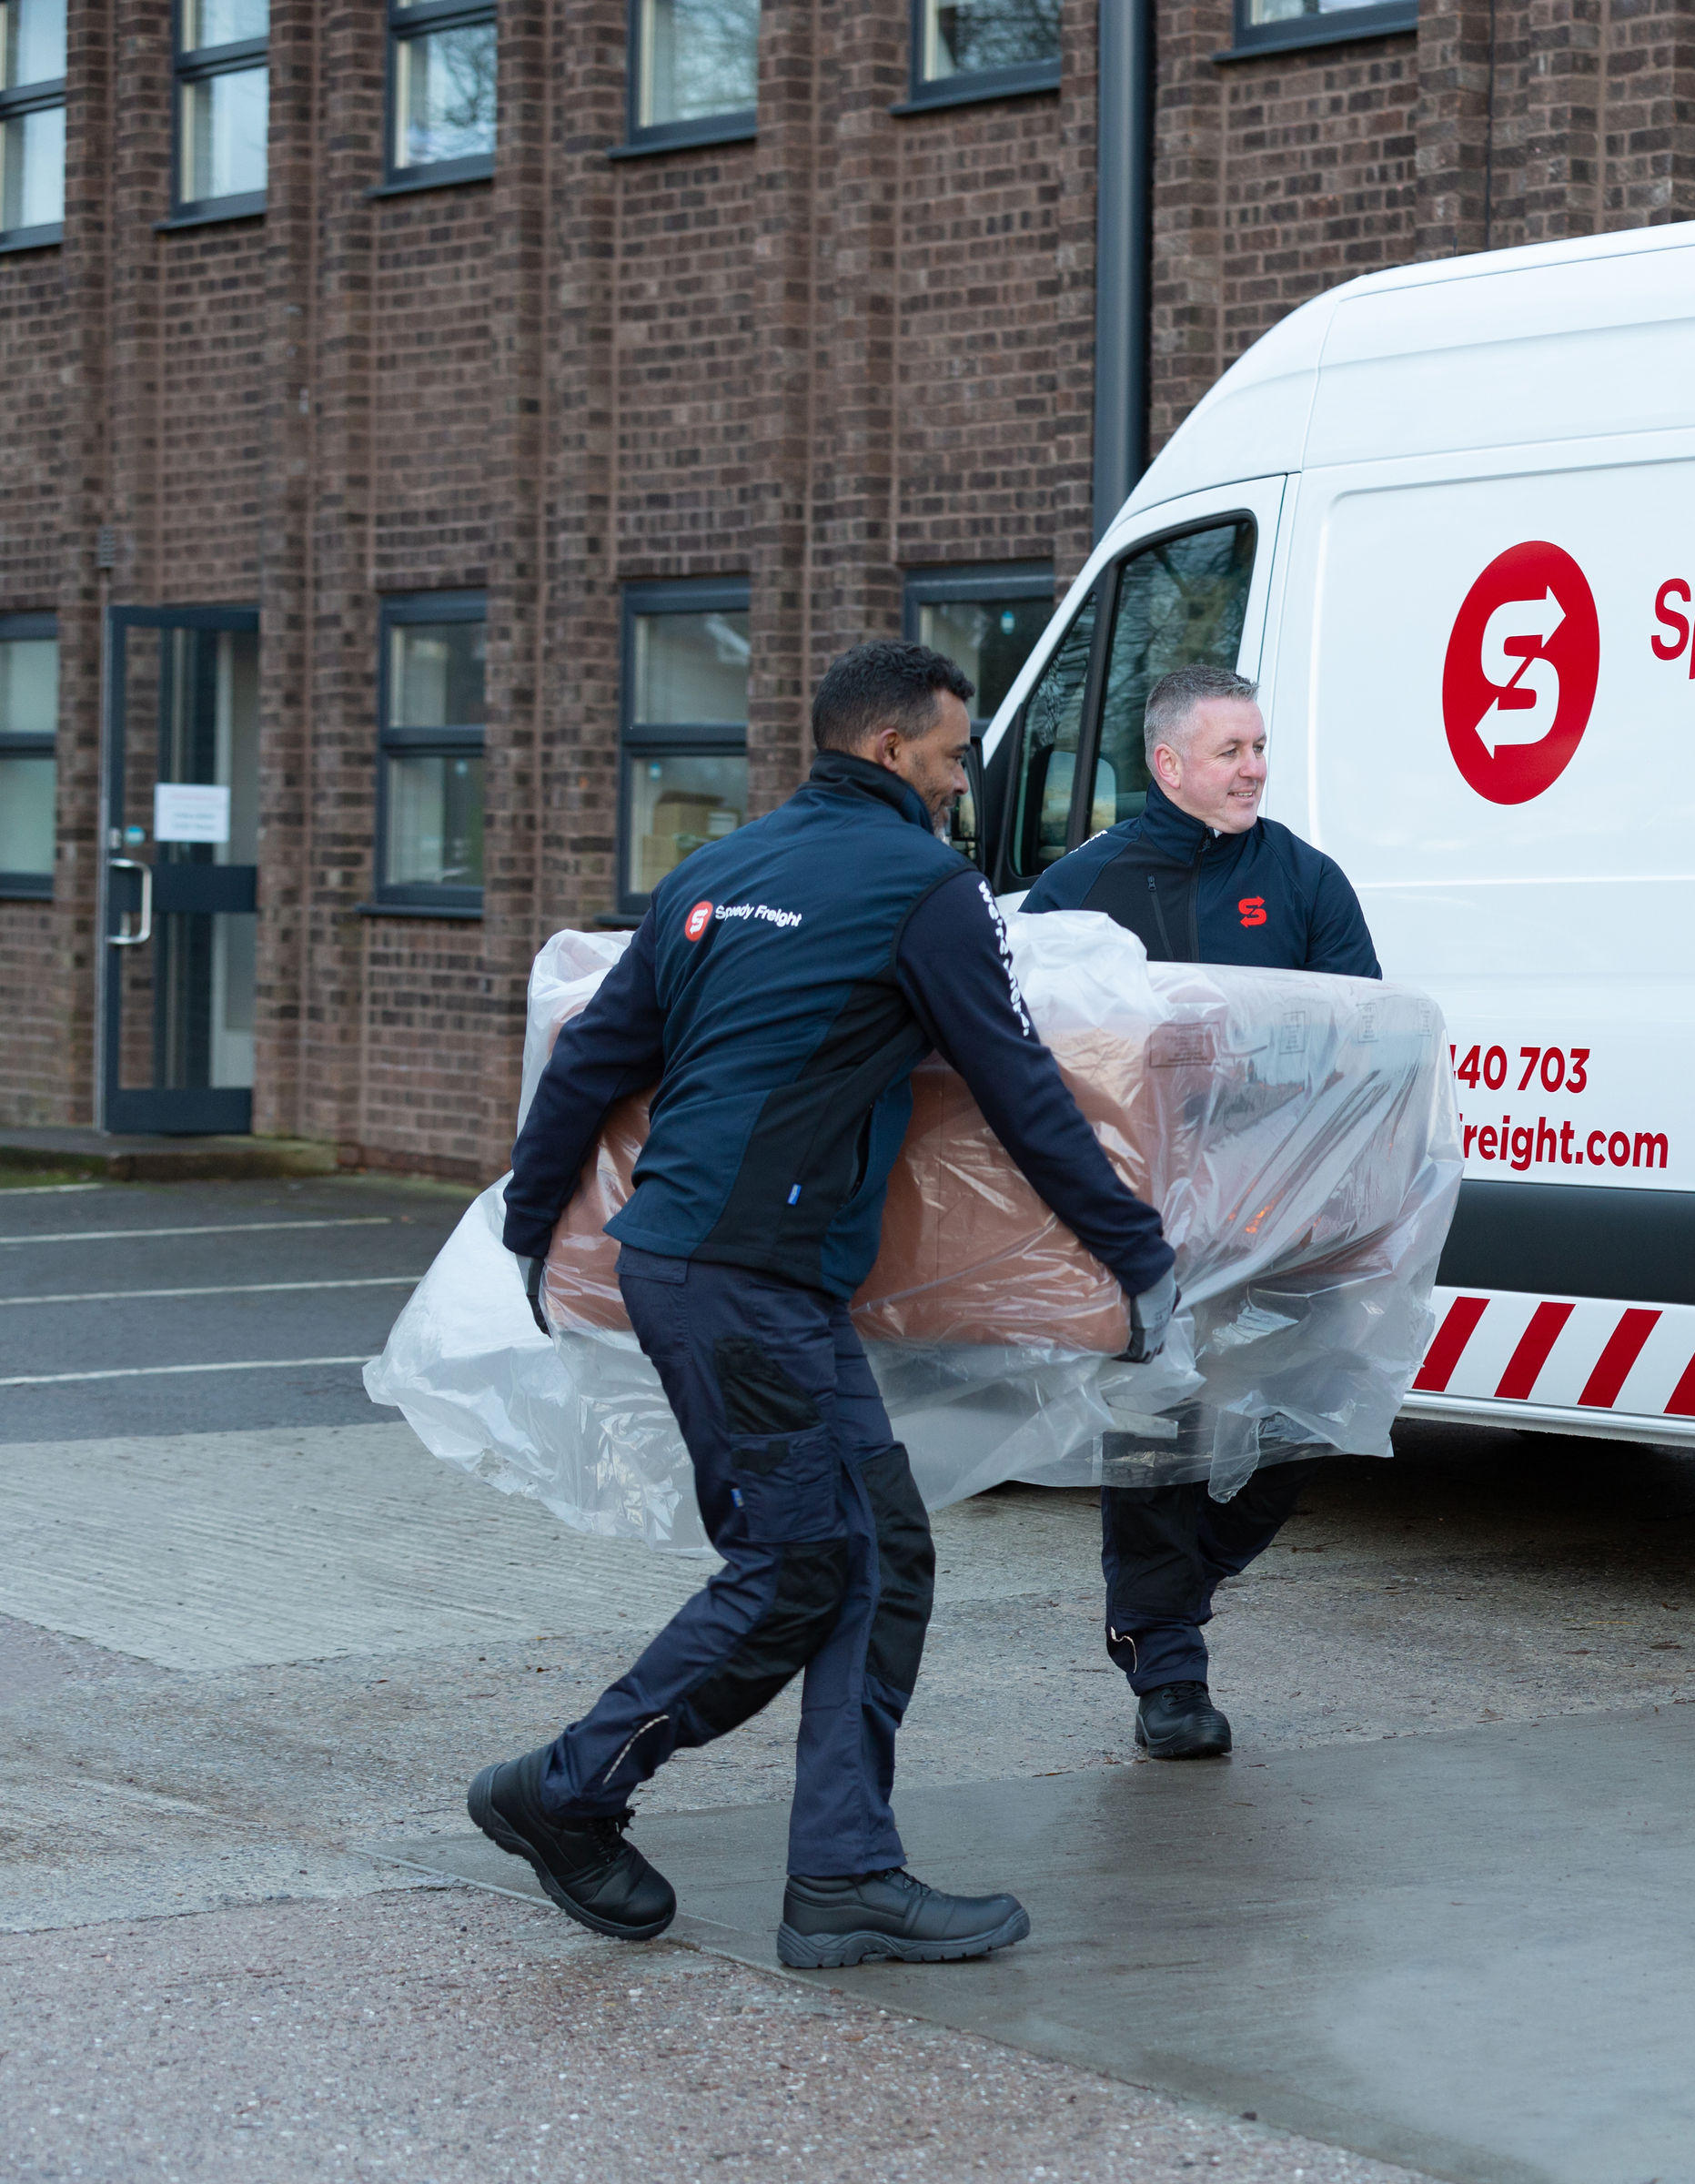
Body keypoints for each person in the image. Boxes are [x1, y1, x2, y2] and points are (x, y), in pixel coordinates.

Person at [477, 639, 1178, 1967]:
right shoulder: (923, 884)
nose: (965, 778)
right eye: (955, 753)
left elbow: (592, 1058)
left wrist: (528, 1228)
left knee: (878, 1552)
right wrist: (1134, 1252)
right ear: (890, 751)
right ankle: (566, 1788)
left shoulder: (716, 873)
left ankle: (845, 1879)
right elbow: (1021, 1087)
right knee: (798, 1568)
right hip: (743, 1284)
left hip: (712, 1273)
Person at [1023, 662, 1379, 1762]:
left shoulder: (1307, 881)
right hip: (1141, 1221)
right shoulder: (1080, 892)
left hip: (1285, 1213)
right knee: (1154, 1437)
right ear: (1169, 763)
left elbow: (1365, 1039)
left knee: (1313, 1413)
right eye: (1232, 751)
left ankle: (1183, 1582)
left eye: (1260, 747)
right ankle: (1167, 1660)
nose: (1254, 768)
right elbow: (1028, 1045)